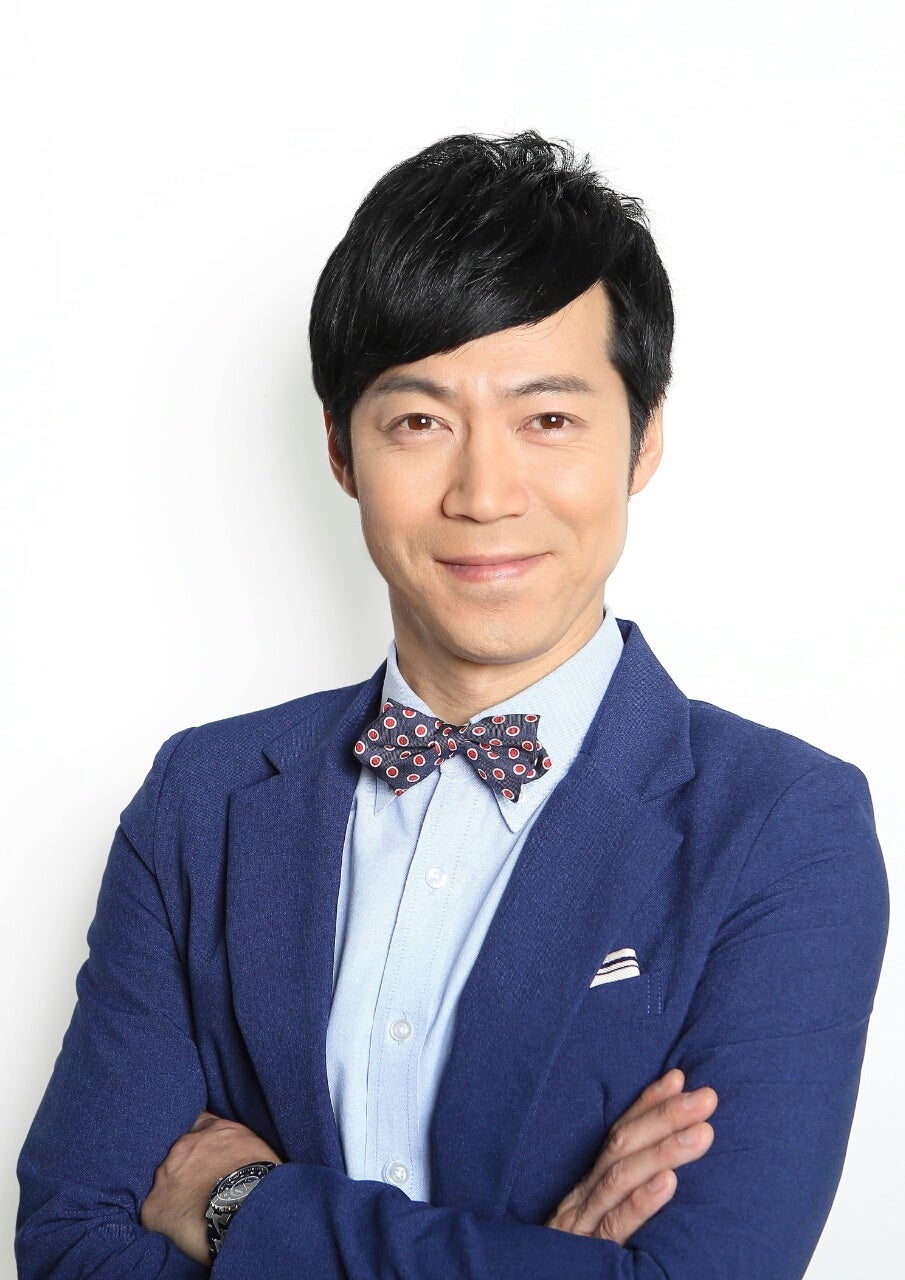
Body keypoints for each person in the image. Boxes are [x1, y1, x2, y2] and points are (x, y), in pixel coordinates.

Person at [16, 131, 888, 1280]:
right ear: (341, 450)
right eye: (419, 421)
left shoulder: (781, 825)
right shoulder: (201, 798)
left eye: (547, 419)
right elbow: (69, 1245)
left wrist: (241, 1206)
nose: (483, 492)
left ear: (643, 438)